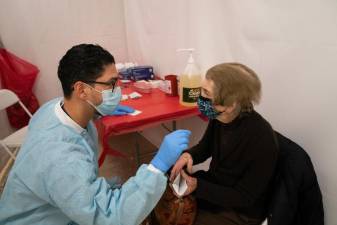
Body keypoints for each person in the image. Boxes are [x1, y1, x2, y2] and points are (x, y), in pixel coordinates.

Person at [0, 44, 191, 225]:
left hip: (53, 206)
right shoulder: (61, 158)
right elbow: (111, 217)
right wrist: (157, 167)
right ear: (81, 90)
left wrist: (97, 111)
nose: (119, 90)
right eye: (111, 84)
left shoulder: (52, 109)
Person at [170, 63, 278, 225]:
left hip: (241, 210)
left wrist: (198, 186)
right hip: (215, 188)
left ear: (231, 104)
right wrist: (188, 155)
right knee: (166, 187)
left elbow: (244, 196)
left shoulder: (262, 139)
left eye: (206, 93)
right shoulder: (221, 117)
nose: (200, 97)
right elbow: (205, 148)